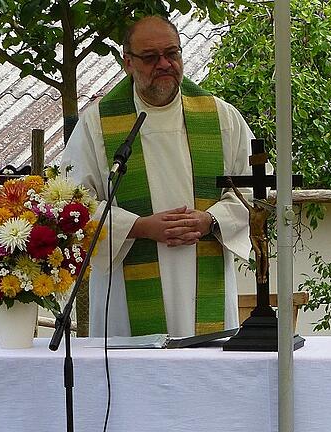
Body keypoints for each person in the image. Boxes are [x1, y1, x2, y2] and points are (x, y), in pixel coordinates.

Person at [61, 16, 254, 338]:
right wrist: (139, 227)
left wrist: (211, 220)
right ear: (127, 62)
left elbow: (254, 190)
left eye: (172, 54)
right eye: (150, 57)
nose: (164, 64)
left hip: (204, 276)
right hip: (124, 286)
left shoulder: (221, 116)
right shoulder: (98, 123)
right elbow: (71, 204)